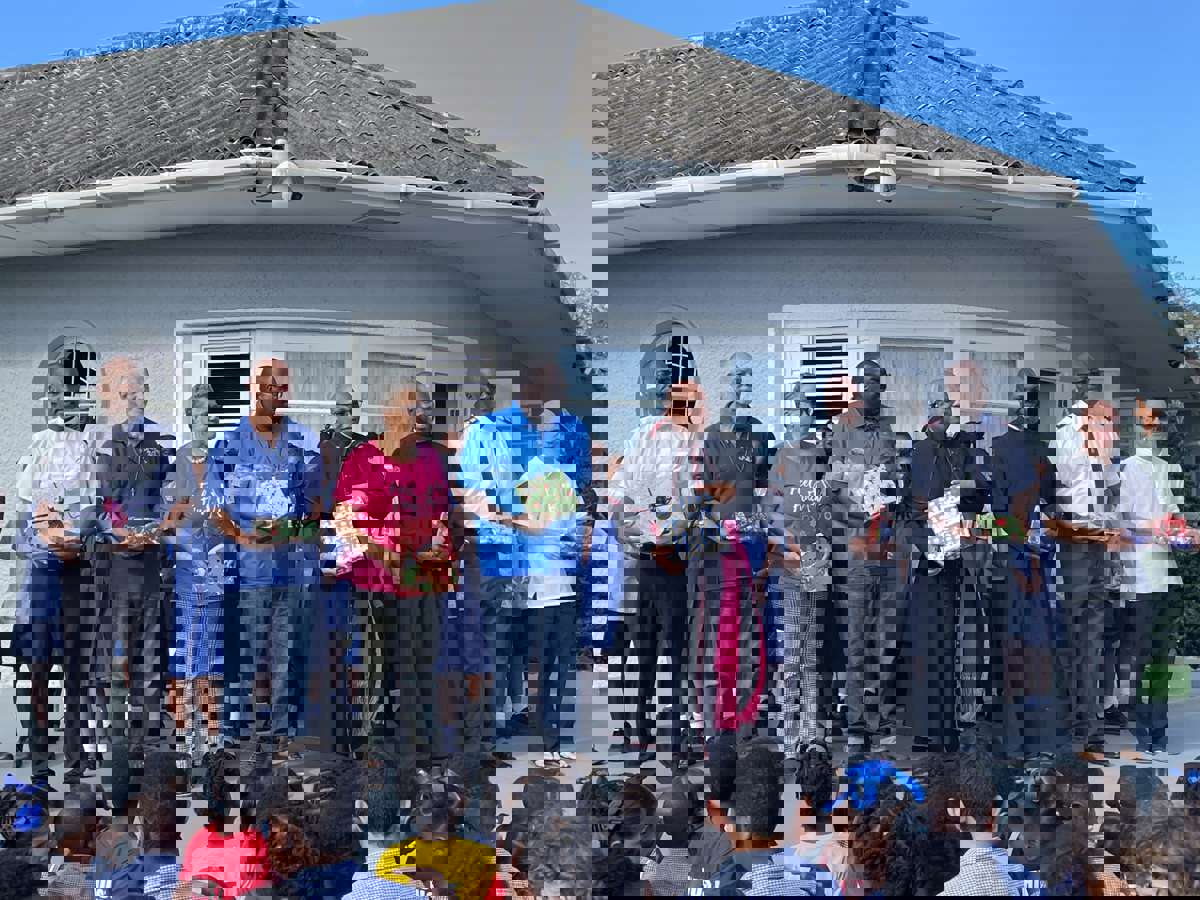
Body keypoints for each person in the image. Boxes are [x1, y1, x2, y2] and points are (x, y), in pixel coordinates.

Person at [334, 384, 454, 826]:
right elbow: (346, 522)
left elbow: (444, 514)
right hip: (377, 587)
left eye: (424, 409)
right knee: (378, 682)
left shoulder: (432, 460)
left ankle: (420, 766)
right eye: (412, 408)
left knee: (421, 674)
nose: (421, 415)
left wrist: (441, 544)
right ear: (389, 414)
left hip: (425, 585)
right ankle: (378, 772)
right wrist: (385, 553)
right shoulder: (362, 459)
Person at [206, 358, 321, 749]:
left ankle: (283, 733)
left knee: (288, 655)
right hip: (248, 570)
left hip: (292, 568)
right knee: (244, 653)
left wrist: (294, 530)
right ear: (255, 389)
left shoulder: (302, 443)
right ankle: (235, 735)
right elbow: (212, 504)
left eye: (282, 389)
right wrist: (240, 536)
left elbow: (314, 505)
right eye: (270, 387)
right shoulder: (229, 443)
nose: (276, 395)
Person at [10, 335, 101, 781]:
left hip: (79, 573)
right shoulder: (39, 446)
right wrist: (39, 543)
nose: (61, 395)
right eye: (54, 387)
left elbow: (104, 510)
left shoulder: (95, 447)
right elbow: (21, 520)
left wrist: (80, 541)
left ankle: (78, 752)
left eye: (69, 385)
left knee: (79, 668)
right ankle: (39, 750)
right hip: (42, 576)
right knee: (38, 664)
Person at [87, 356, 175, 807]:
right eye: (123, 386)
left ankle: (149, 769)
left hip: (153, 572)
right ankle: (114, 769)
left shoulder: (163, 441)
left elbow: (174, 498)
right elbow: (93, 503)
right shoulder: (97, 442)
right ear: (110, 392)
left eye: (137, 385)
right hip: (113, 572)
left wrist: (157, 529)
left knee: (151, 672)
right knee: (114, 669)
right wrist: (116, 530)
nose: (131, 393)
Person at [610, 378, 705, 762]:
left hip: (666, 560)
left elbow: (695, 500)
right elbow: (622, 493)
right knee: (656, 650)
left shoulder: (688, 442)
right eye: (690, 402)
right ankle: (651, 736)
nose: (694, 410)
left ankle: (660, 735)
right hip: (657, 559)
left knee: (664, 651)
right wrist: (653, 536)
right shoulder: (654, 438)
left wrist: (653, 536)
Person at [903, 373, 990, 754]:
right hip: (927, 560)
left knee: (953, 643)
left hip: (955, 558)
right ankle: (927, 728)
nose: (945, 419)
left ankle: (948, 724)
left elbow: (980, 490)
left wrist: (966, 495)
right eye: (938, 413)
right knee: (928, 643)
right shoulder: (919, 452)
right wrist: (928, 541)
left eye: (949, 412)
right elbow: (910, 505)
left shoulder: (961, 451)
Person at [692, 353, 774, 746]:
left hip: (753, 550)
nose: (740, 388)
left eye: (746, 381)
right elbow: (700, 496)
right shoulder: (709, 438)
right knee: (718, 637)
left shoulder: (761, 437)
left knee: (751, 639)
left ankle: (745, 720)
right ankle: (713, 720)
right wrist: (715, 526)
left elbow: (765, 492)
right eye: (734, 380)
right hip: (719, 553)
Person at [826, 357, 904, 752]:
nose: (872, 389)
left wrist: (891, 489)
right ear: (857, 387)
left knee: (884, 640)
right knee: (856, 640)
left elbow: (895, 477)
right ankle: (856, 722)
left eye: (878, 383)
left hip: (886, 548)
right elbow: (830, 488)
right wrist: (857, 503)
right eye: (867, 383)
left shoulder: (888, 430)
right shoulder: (840, 429)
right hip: (855, 549)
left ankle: (880, 717)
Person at [986, 369, 1061, 760]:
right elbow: (992, 510)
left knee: (1029, 646)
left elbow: (1050, 500)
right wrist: (1026, 533)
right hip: (1018, 559)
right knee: (1023, 646)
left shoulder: (1030, 448)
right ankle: (1021, 737)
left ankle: (1030, 737)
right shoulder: (1005, 448)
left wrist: (1037, 527)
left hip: (1027, 560)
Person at [1047, 391, 1124, 753]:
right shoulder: (1070, 439)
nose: (1113, 431)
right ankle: (1071, 720)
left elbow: (1109, 496)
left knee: (1093, 636)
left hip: (1096, 545)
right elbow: (1067, 485)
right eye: (1106, 421)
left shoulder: (1104, 451)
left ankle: (1089, 724)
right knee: (1072, 631)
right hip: (1075, 544)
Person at [1113, 397, 1189, 754]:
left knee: (1162, 657)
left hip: (1164, 574)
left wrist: (1183, 531)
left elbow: (1173, 516)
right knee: (1140, 656)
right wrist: (1152, 529)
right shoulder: (1126, 470)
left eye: (1155, 423)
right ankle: (1144, 728)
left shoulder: (1165, 467)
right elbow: (1121, 523)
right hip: (1138, 575)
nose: (1151, 429)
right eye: (1145, 423)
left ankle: (1159, 729)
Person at [766, 386, 835, 762]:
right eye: (793, 410)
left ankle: (810, 729)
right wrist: (789, 548)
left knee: (812, 656)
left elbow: (836, 511)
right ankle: (788, 732)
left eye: (805, 410)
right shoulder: (781, 457)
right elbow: (771, 513)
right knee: (791, 653)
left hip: (819, 566)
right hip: (790, 567)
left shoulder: (826, 457)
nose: (799, 417)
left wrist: (824, 548)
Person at [163, 383, 224, 766]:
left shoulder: (223, 461)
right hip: (185, 573)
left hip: (217, 574)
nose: (205, 420)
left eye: (210, 413)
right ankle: (185, 739)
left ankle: (213, 738)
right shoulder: (177, 462)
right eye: (199, 413)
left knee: (212, 657)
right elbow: (169, 517)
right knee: (186, 656)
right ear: (190, 417)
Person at [318, 391, 369, 759]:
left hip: (359, 552)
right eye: (338, 410)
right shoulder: (322, 448)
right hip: (329, 546)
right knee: (332, 643)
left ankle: (355, 728)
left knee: (356, 645)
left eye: (348, 411)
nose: (343, 416)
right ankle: (334, 730)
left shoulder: (365, 448)